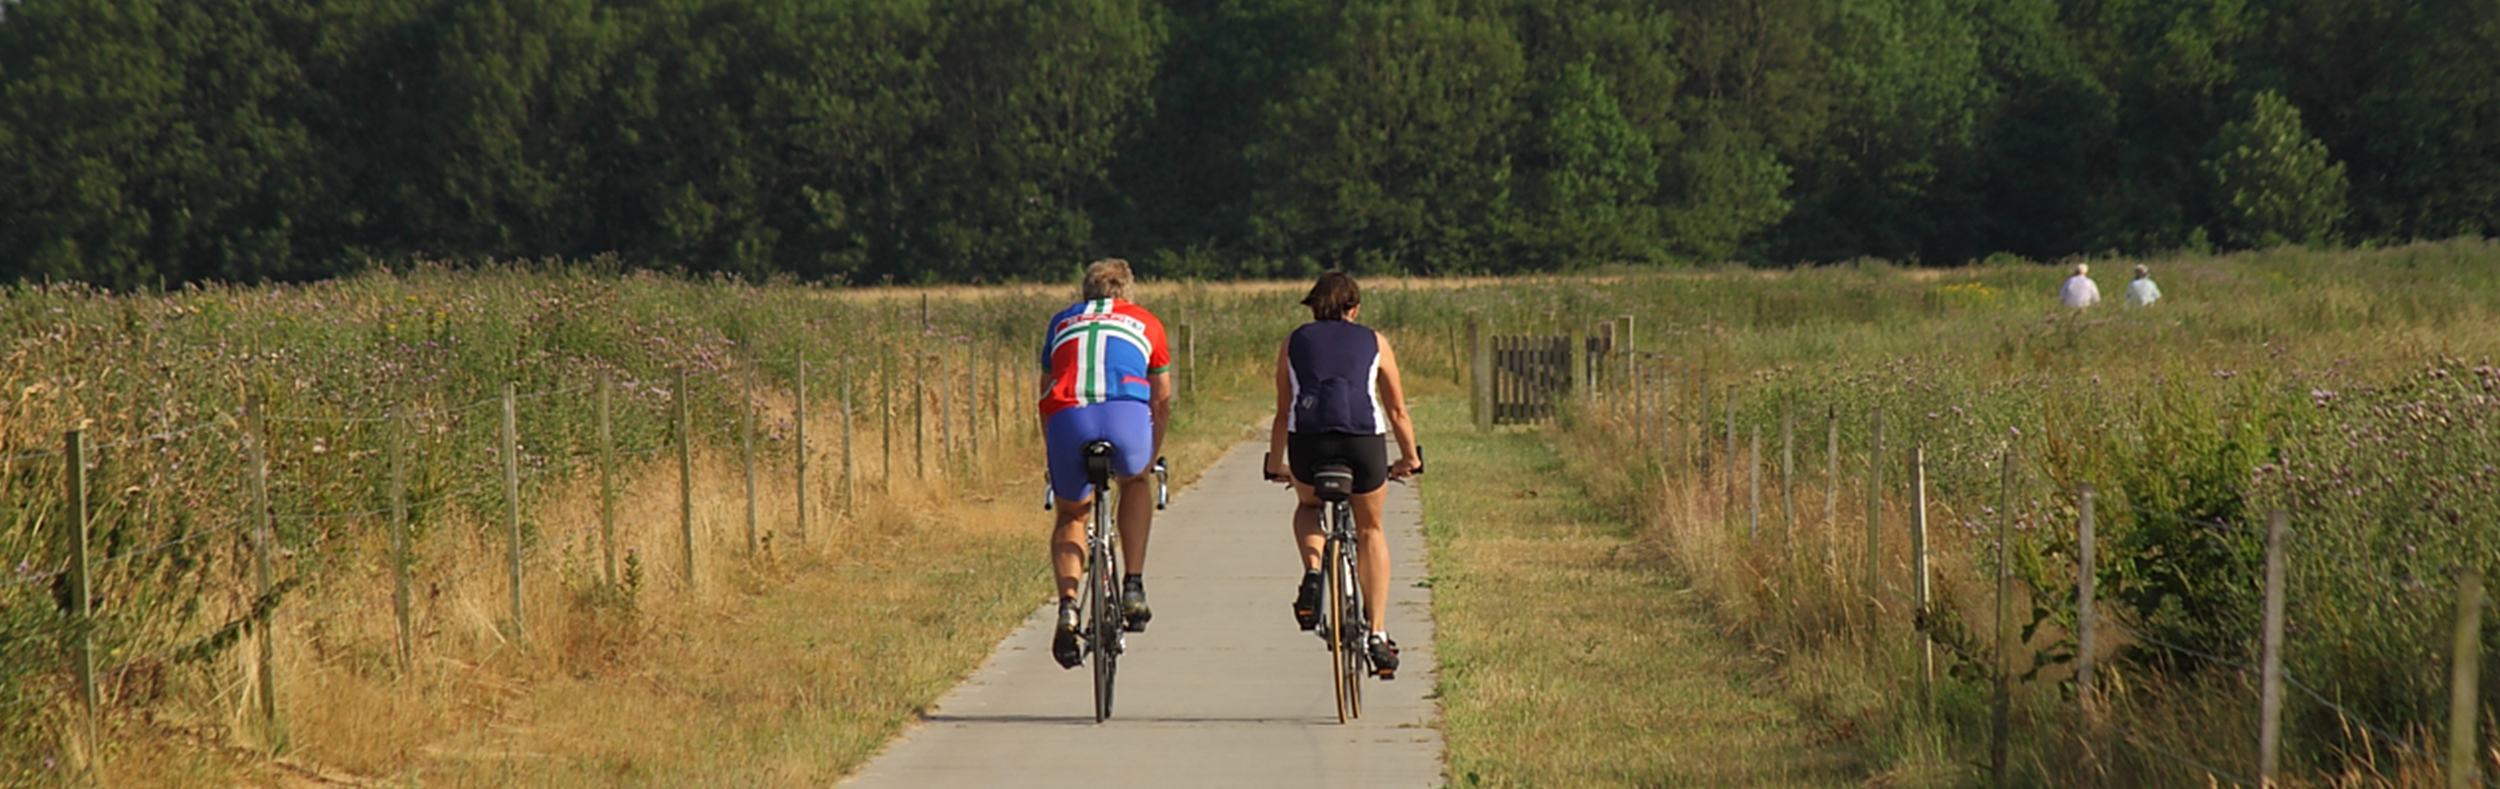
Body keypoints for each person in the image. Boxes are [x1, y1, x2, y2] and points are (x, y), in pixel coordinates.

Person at [1261, 271, 1422, 679]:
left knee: (1308, 505)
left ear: (1314, 307)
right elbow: (1398, 410)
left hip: (1308, 443)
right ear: (1355, 308)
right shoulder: (1375, 342)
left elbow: (1283, 411)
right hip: (1362, 443)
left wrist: (1274, 463)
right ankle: (1378, 634)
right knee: (1370, 529)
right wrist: (1409, 458)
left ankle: (1314, 572)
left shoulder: (1293, 342)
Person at [1038, 259, 1172, 669]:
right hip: (1125, 418)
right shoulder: (1148, 322)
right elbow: (1161, 399)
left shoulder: (1061, 323)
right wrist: (1147, 458)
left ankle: (1068, 608)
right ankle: (1133, 584)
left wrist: (1053, 452)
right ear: (1129, 293)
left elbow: (1045, 396)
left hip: (1068, 416)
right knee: (1134, 483)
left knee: (1070, 515)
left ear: (1084, 294)